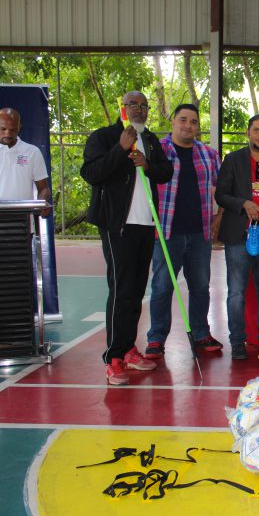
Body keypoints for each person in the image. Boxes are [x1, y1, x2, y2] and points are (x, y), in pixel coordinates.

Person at [81, 91, 173, 385]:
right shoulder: (105, 137)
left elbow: (165, 172)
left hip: (145, 225)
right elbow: (92, 173)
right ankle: (114, 357)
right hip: (117, 225)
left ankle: (129, 347)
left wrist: (147, 165)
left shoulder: (151, 139)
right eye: (134, 104)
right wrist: (120, 149)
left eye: (144, 105)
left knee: (136, 291)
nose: (140, 110)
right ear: (122, 108)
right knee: (120, 289)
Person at [144, 104, 222, 359]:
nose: (188, 125)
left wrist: (217, 220)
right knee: (163, 286)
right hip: (167, 232)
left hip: (200, 233)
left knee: (200, 286)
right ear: (173, 122)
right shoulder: (158, 151)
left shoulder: (209, 155)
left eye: (194, 122)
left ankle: (201, 334)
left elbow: (220, 191)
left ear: (198, 127)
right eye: (183, 120)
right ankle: (156, 338)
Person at [215, 114, 259, 360]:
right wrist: (244, 204)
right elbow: (221, 195)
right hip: (239, 235)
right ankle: (237, 342)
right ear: (248, 132)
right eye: (256, 130)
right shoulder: (233, 160)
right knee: (236, 292)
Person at [0, 108, 51, 216]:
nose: (7, 133)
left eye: (12, 130)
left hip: (23, 221)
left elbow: (43, 188)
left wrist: (41, 204)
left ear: (19, 128)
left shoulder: (32, 152)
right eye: (3, 129)